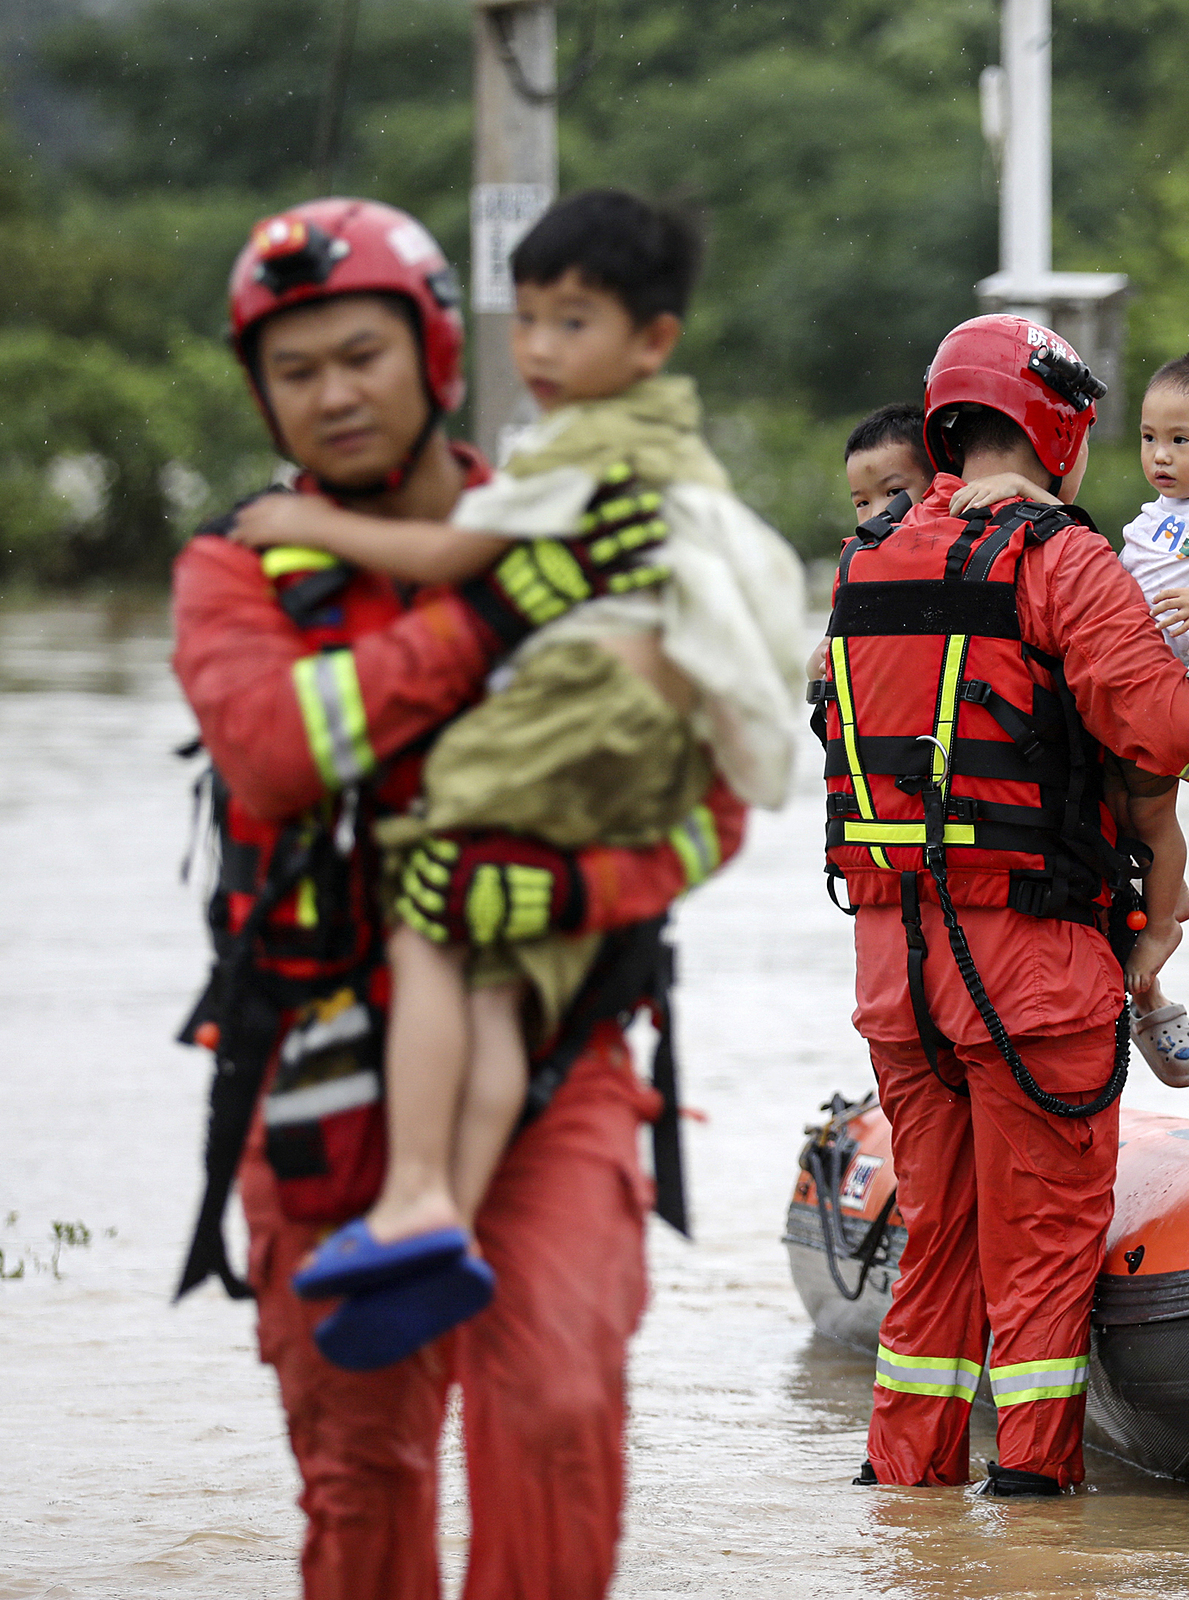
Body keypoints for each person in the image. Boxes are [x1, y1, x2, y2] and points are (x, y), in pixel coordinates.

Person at [172, 196, 747, 1598]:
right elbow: (274, 748)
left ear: (432, 353)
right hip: (317, 1077)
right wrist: (491, 613)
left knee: (556, 1405)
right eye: (295, 371)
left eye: (361, 355)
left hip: (559, 1054)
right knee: (362, 1468)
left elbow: (714, 802)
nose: (333, 394)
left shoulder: (592, 523)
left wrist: (564, 879)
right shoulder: (237, 570)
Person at [222, 188, 807, 1367]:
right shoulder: (661, 448)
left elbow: (446, 557)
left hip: (568, 727)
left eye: (572, 323)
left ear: (650, 342)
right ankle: (439, 1207)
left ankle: (425, 1188)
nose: (539, 349)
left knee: (429, 912)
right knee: (491, 976)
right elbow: (268, 745)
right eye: (527, 319)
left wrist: (304, 525)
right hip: (627, 757)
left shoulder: (577, 457)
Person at [824, 314, 1189, 1494]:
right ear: (1059, 425)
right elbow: (1165, 730)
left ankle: (907, 1494)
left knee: (937, 1240)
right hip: (1032, 962)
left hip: (895, 960)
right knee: (1045, 1244)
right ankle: (1036, 1501)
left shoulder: (869, 556)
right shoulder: (1059, 558)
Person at [952, 352, 1189, 1085]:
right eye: (1148, 438)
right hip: (1119, 680)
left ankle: (1164, 924)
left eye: (1180, 441)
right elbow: (1085, 561)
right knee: (1109, 815)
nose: (1159, 456)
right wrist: (1020, 490)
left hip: (1167, 682)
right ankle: (1159, 922)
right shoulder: (1153, 518)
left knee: (1151, 816)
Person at [845, 402, 935, 520]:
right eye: (862, 503)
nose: (876, 514)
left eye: (894, 492)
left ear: (936, 484)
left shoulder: (962, 532)